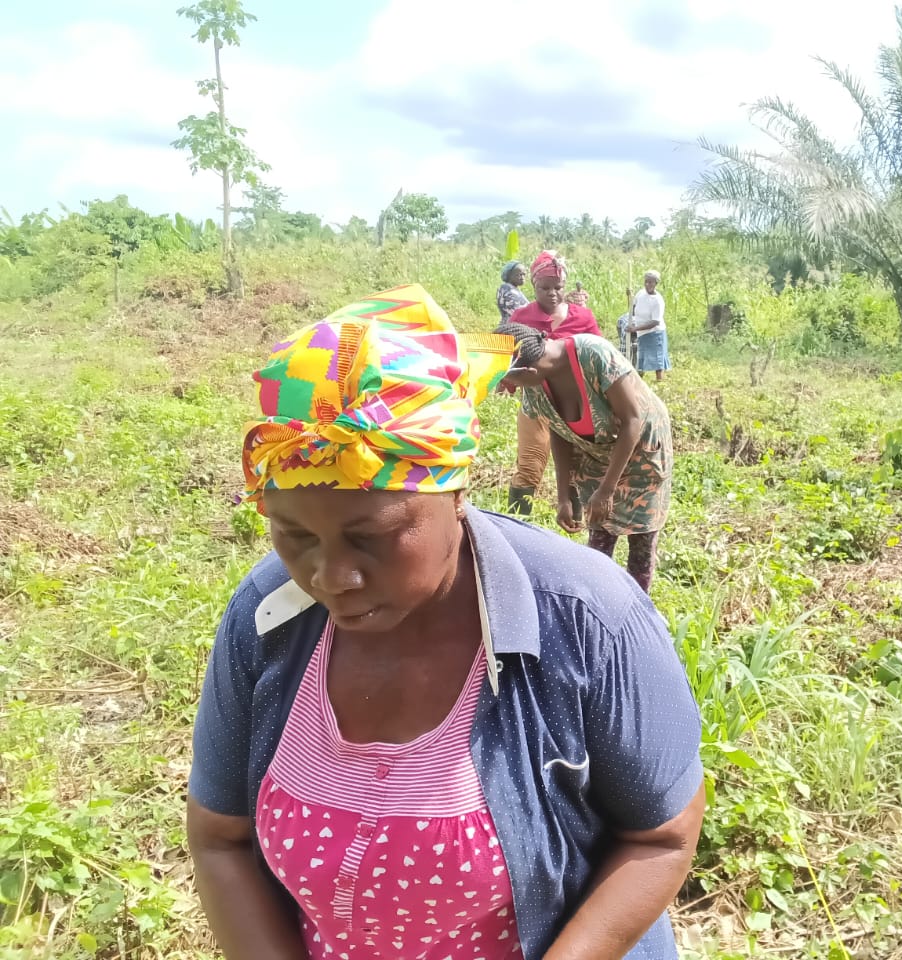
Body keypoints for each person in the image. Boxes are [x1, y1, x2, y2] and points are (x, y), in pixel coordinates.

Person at [187, 283, 705, 960]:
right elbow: (220, 837)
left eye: (371, 535)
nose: (330, 576)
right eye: (295, 536)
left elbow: (661, 836)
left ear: (455, 492)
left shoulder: (589, 617)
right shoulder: (267, 615)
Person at [497, 321, 672, 594]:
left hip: (640, 447)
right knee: (600, 535)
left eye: (508, 380)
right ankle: (601, 604)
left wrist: (607, 489)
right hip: (594, 451)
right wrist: (565, 496)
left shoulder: (594, 355)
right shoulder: (534, 384)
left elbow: (632, 421)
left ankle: (639, 611)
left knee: (641, 539)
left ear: (528, 370)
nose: (507, 388)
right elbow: (559, 430)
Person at [504, 251, 601, 516]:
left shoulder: (583, 318)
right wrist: (506, 381)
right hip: (535, 401)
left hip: (573, 403)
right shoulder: (522, 317)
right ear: (534, 286)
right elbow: (506, 355)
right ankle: (517, 521)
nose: (552, 293)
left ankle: (574, 520)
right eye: (544, 288)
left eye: (557, 288)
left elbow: (599, 355)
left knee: (575, 466)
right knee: (529, 465)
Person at [628, 270, 670, 382]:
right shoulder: (640, 293)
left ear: (656, 283)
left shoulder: (658, 301)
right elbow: (632, 306)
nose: (648, 285)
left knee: (657, 361)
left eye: (651, 282)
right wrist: (629, 296)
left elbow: (655, 322)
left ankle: (659, 382)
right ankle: (638, 382)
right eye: (646, 282)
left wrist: (635, 328)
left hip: (655, 333)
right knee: (641, 359)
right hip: (642, 332)